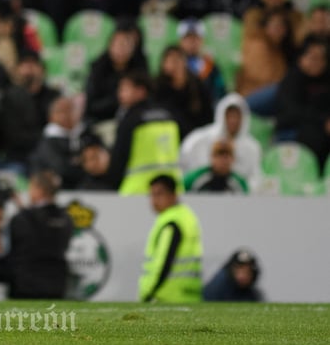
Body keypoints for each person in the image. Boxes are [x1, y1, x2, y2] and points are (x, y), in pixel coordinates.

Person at [107, 70, 182, 195]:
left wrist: (111, 184)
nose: (120, 94)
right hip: (172, 189)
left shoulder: (131, 120)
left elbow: (119, 158)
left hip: (138, 189)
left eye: (125, 89)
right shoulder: (169, 116)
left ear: (141, 91)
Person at [7, 170, 73, 299]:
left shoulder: (22, 218)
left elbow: (17, 248)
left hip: (26, 285)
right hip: (57, 284)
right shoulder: (66, 218)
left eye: (30, 187)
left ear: (39, 190)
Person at [139, 175, 203, 303]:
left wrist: (148, 292)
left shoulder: (171, 222)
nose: (154, 200)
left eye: (159, 194)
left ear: (173, 195)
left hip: (167, 296)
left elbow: (163, 262)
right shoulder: (186, 216)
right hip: (189, 295)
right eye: (151, 195)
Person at [179, 93, 263, 188]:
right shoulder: (199, 139)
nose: (233, 121)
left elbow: (255, 180)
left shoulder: (252, 147)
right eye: (230, 116)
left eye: (237, 116)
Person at [183, 139, 250, 193]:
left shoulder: (239, 183)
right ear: (212, 157)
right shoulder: (195, 178)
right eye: (219, 156)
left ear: (233, 159)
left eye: (226, 157)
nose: (223, 161)